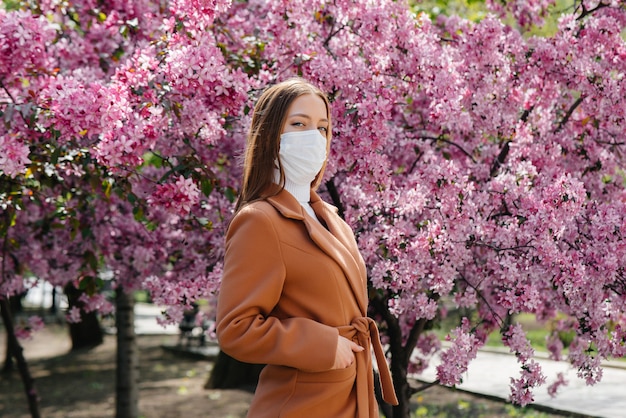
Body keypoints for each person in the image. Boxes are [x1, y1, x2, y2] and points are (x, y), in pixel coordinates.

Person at [215, 78, 398, 417]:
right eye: (299, 124)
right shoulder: (260, 220)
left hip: (355, 397)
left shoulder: (332, 218)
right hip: (303, 404)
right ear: (270, 134)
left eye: (323, 127)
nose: (314, 137)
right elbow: (235, 328)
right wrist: (323, 345)